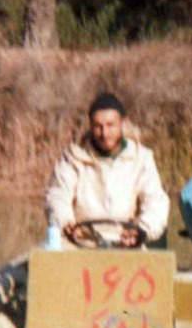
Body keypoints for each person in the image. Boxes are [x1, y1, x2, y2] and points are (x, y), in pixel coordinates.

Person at [45, 93, 170, 247]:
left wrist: (141, 230)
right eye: (98, 126)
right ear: (91, 126)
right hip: (80, 242)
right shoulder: (72, 158)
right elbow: (57, 196)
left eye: (111, 125)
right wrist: (65, 221)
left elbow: (155, 203)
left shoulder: (142, 159)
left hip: (127, 243)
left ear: (122, 124)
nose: (104, 133)